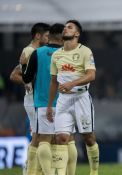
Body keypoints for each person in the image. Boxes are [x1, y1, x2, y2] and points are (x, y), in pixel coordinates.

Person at [21, 23, 78, 175]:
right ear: (62, 36)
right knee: (68, 140)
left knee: (43, 139)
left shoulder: (37, 53)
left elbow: (26, 78)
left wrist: (23, 65)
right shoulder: (70, 53)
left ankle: (43, 173)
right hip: (67, 102)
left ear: (50, 35)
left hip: (44, 103)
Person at [47, 20, 99, 175]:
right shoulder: (56, 55)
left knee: (88, 138)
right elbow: (54, 82)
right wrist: (50, 105)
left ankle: (94, 171)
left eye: (69, 27)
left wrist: (72, 83)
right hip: (63, 99)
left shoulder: (85, 51)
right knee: (61, 137)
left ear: (77, 34)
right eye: (64, 27)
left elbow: (91, 75)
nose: (65, 29)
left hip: (81, 98)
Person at [10, 22, 50, 175]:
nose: (48, 38)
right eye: (46, 35)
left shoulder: (37, 51)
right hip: (34, 99)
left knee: (39, 135)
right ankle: (29, 168)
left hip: (37, 98)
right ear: (38, 36)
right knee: (38, 135)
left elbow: (17, 74)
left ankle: (33, 168)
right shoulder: (29, 51)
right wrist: (29, 83)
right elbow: (14, 75)